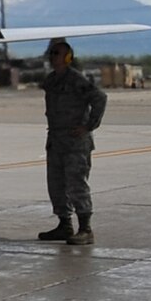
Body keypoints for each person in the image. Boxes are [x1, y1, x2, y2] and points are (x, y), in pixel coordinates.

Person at [38, 38, 107, 245]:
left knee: (77, 184)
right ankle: (64, 225)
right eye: (51, 53)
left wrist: (89, 126)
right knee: (56, 184)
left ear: (68, 57)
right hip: (56, 139)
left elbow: (100, 98)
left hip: (75, 142)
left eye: (56, 53)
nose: (52, 57)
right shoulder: (51, 80)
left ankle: (85, 229)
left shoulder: (76, 79)